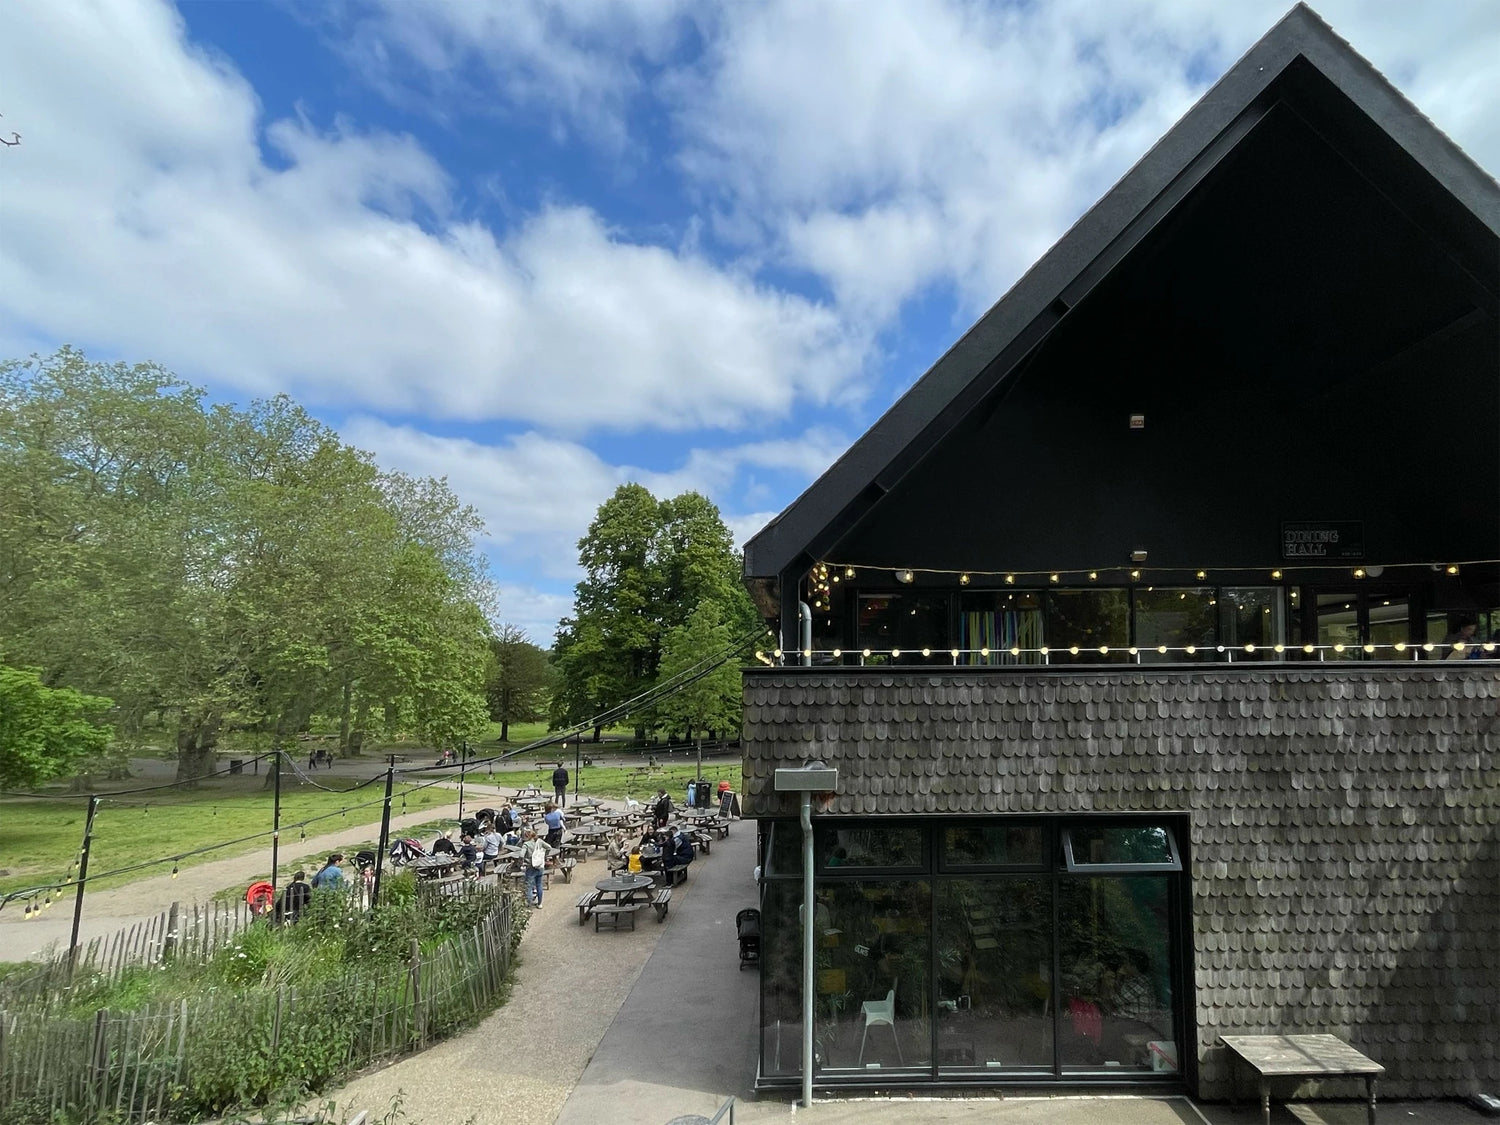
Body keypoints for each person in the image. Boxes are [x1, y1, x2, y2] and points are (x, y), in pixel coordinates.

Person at [522, 829, 550, 908]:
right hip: (540, 866)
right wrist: (544, 855)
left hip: (531, 867)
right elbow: (549, 847)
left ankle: (529, 905)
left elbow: (521, 855)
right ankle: (540, 903)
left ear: (527, 836)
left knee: (529, 886)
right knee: (539, 885)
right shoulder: (539, 842)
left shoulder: (526, 844)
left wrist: (523, 861)